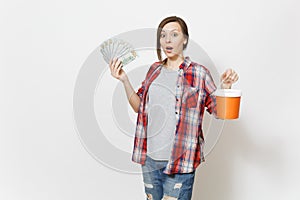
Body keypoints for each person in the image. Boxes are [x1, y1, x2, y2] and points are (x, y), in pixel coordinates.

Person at [109, 16, 239, 200]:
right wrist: (124, 80)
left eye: (174, 34)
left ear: (185, 39)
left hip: (181, 161)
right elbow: (139, 107)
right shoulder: (154, 70)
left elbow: (219, 111)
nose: (167, 40)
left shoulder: (199, 73)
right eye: (163, 35)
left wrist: (225, 88)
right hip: (150, 160)